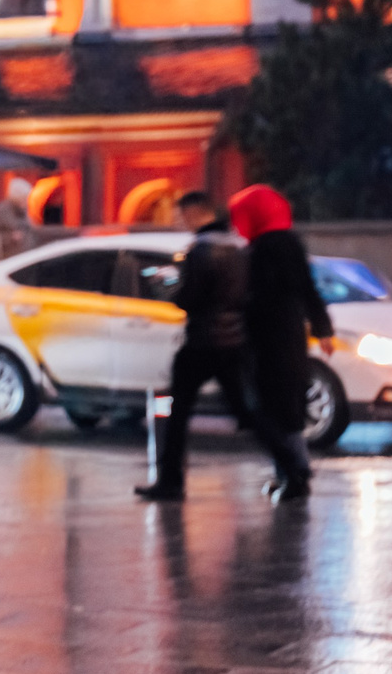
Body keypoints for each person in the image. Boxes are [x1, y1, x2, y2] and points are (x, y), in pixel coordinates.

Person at [137, 190, 302, 500]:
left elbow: (189, 299)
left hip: (201, 341)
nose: (181, 221)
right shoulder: (239, 246)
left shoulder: (200, 250)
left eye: (182, 215)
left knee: (179, 412)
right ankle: (292, 466)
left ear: (195, 213)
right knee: (248, 412)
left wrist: (168, 289)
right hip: (233, 341)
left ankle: (170, 482)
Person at [231, 184, 334, 502]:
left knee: (270, 408)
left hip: (268, 337)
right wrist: (322, 328)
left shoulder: (264, 249)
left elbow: (258, 295)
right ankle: (289, 471)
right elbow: (307, 288)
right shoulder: (286, 244)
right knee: (285, 406)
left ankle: (295, 474)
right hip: (288, 334)